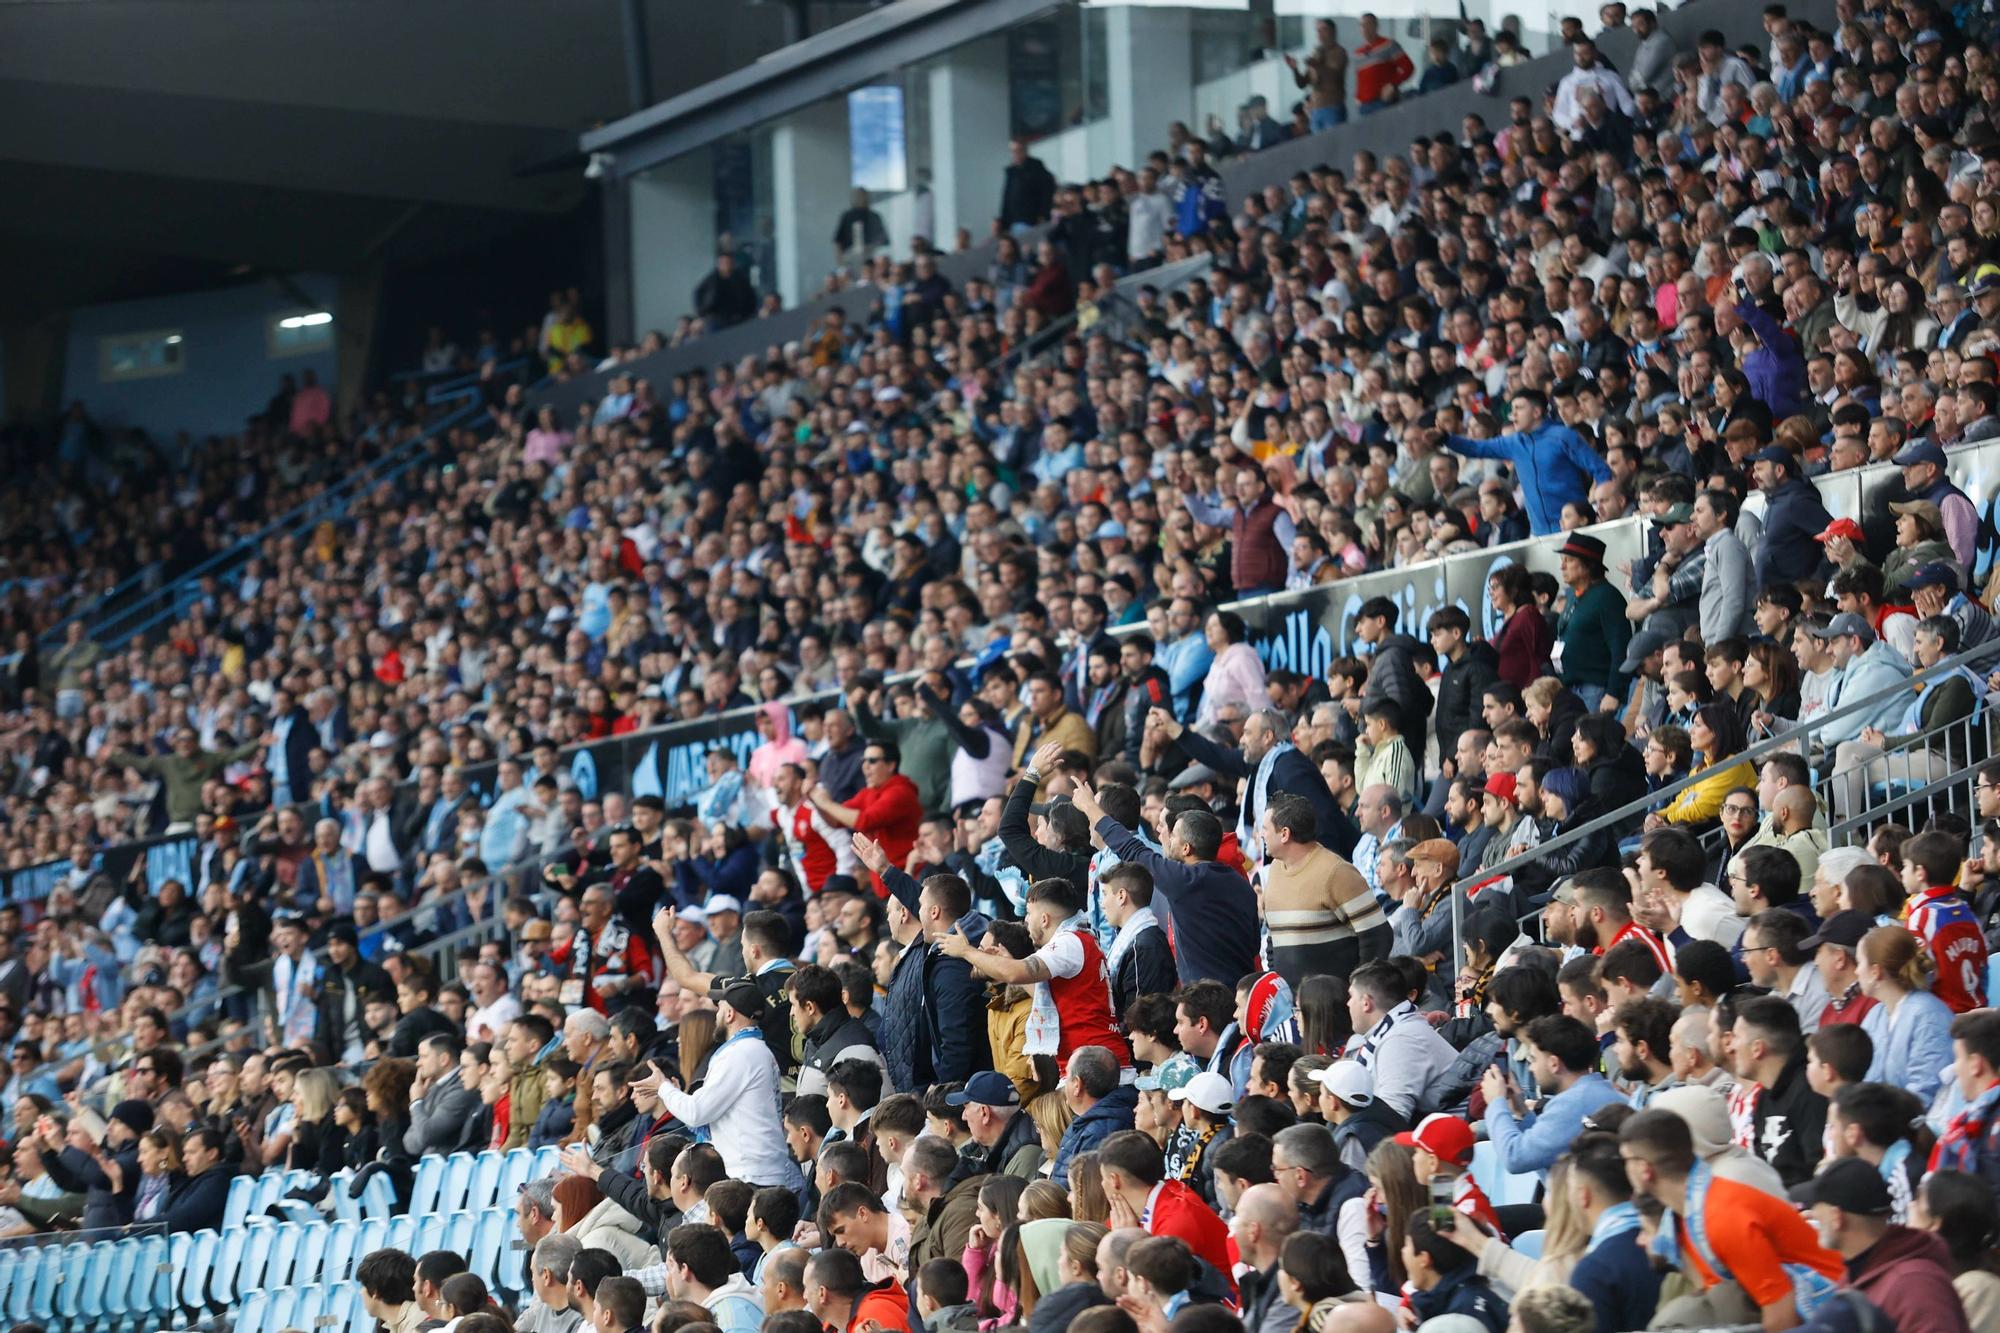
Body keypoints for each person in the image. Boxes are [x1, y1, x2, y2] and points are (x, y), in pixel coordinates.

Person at [1618, 1107, 1843, 1330]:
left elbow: (1782, 1315)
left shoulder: (1722, 1216)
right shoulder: (1688, 1212)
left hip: (1833, 1308)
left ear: (1644, 1168)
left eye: (1626, 1160)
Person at [643, 972, 801, 1191]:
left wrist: (662, 1086)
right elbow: (704, 1114)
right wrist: (676, 1095)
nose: (716, 1015)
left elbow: (696, 1112)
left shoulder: (739, 1054)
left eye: (719, 1009)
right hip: (757, 1174)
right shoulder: (754, 1050)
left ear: (729, 1014)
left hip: (749, 1177)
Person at [1795, 1157, 1972, 1333]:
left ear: (1837, 1218)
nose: (1813, 1216)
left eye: (1817, 1208)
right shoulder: (1859, 1274)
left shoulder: (1914, 1284)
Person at [1431, 393, 1614, 537]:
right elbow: (1476, 448)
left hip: (1574, 528)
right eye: (1512, 409)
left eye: (1519, 408)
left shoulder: (1562, 436)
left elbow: (1599, 468)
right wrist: (1446, 439)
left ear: (1536, 412)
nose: (1513, 414)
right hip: (1538, 534)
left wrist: (1600, 506)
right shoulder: (1514, 443)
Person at [1482, 1016, 1623, 1180]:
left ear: (1554, 1064)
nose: (1530, 1068)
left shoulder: (1573, 1103)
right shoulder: (1594, 1091)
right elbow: (1546, 1153)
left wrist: (1495, 1103)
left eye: (1533, 1059)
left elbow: (1514, 1158)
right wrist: (1521, 1110)